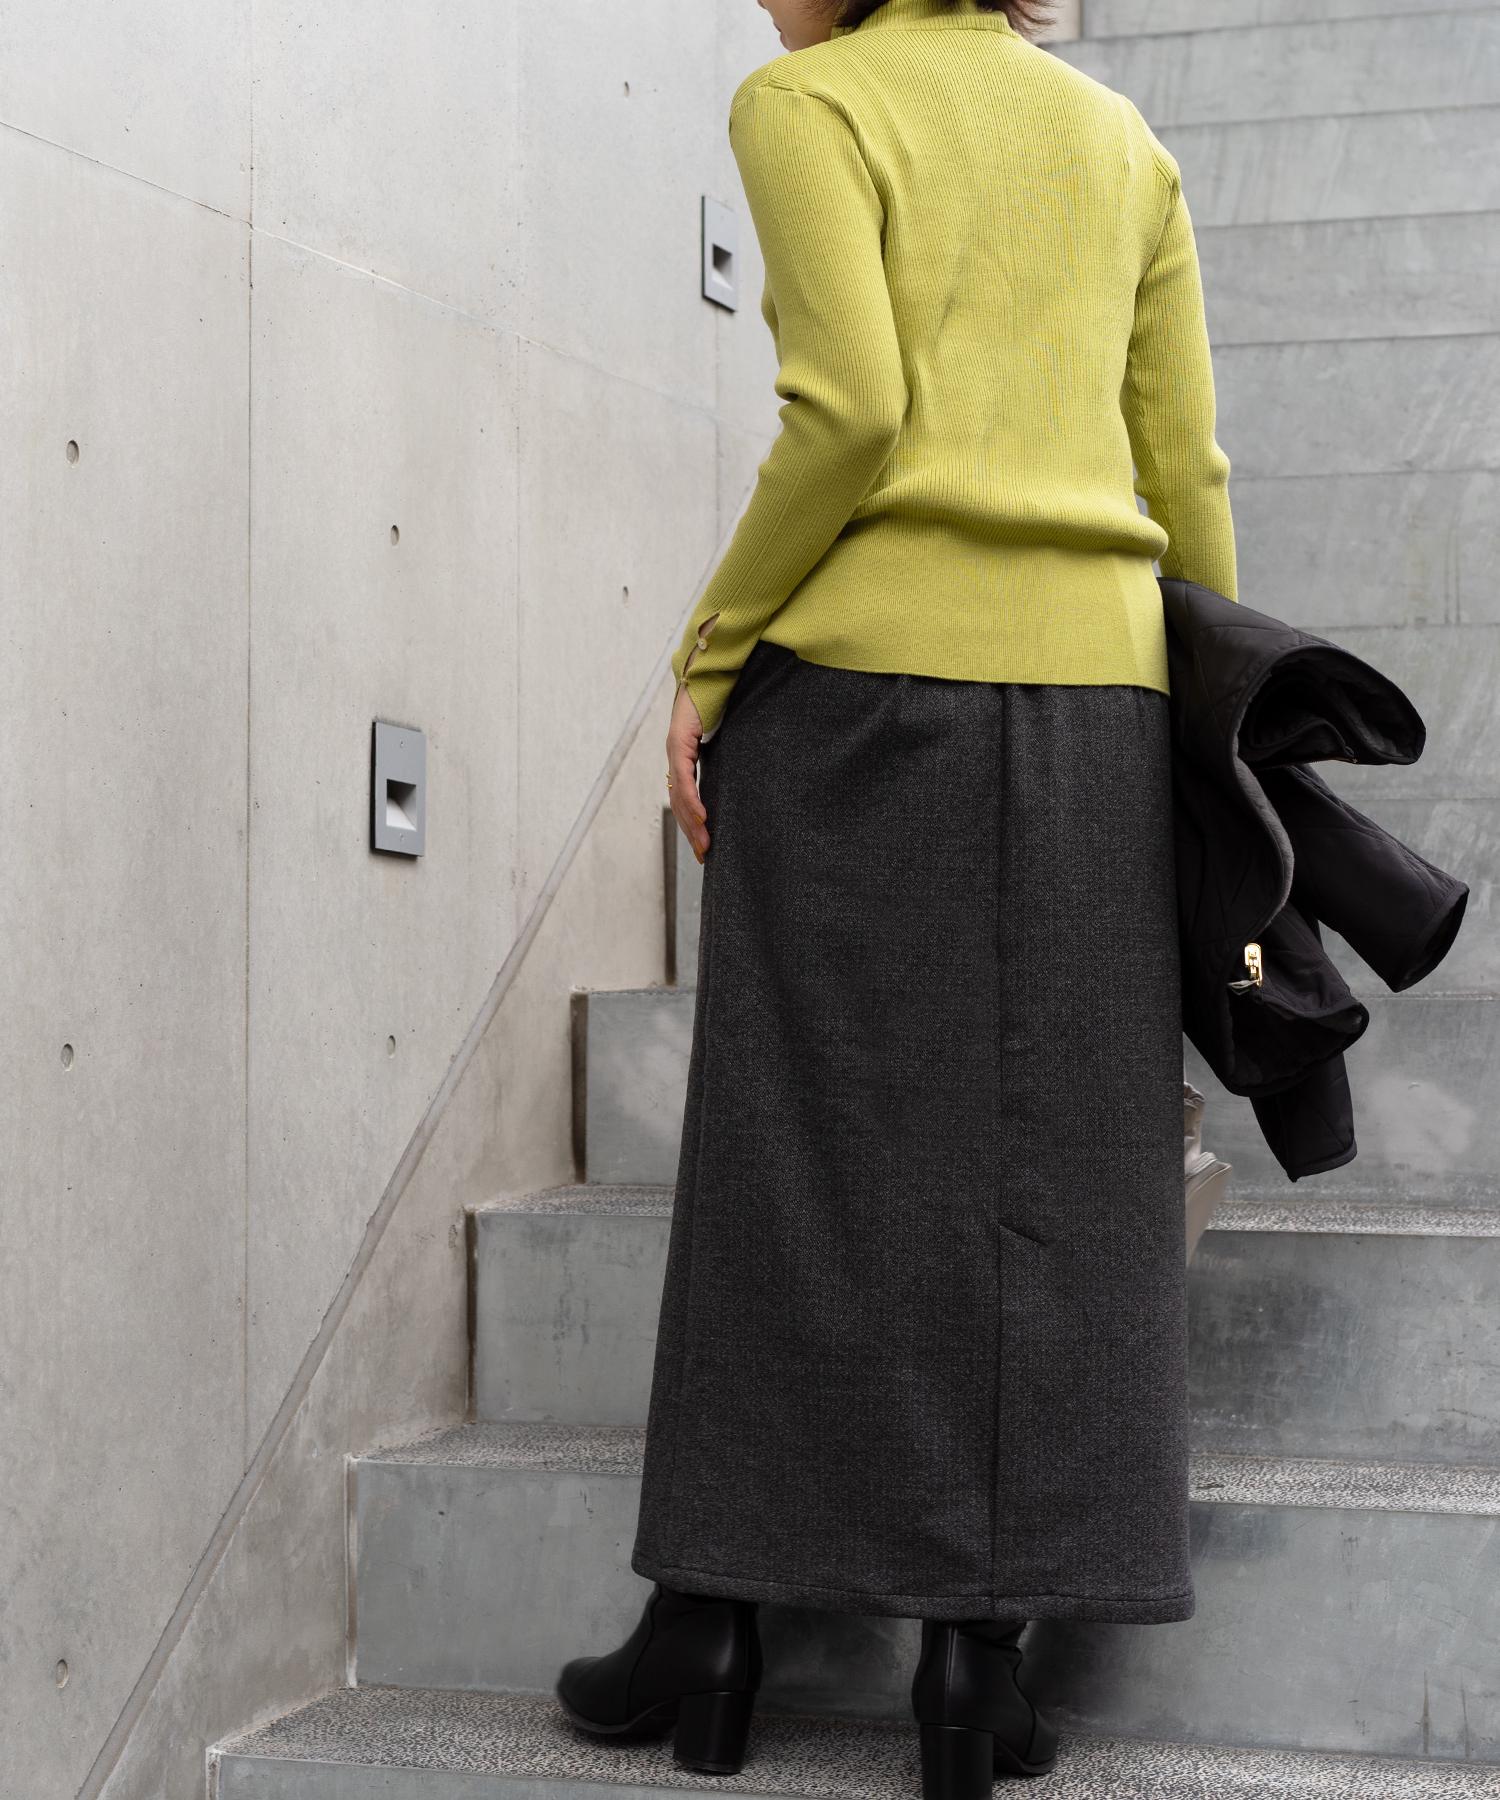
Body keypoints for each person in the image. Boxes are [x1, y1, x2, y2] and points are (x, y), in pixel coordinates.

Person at [555, 0, 1237, 1792]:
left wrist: (709, 659)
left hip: (858, 703)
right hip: (1101, 712)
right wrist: (1210, 735)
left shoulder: (810, 102)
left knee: (794, 1152)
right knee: (1060, 1177)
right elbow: (1187, 473)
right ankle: (972, 1673)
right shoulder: (1119, 143)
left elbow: (851, 410)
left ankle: (712, 1626)